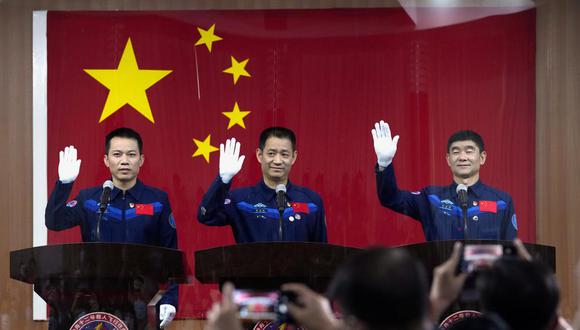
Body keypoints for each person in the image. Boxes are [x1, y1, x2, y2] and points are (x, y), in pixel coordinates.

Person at [45, 127, 178, 329]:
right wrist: (64, 184)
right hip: (94, 305)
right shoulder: (89, 200)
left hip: (141, 303)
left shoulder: (157, 200)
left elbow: (172, 256)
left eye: (131, 154)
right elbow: (54, 222)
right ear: (106, 160)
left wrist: (170, 299)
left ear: (141, 160)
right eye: (117, 154)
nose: (124, 160)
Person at [372, 120, 517, 240]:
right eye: (455, 152)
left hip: (487, 275)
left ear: (482, 157)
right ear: (448, 159)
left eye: (469, 151)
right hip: (442, 274)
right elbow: (390, 198)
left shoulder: (502, 202)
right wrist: (384, 164)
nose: (462, 157)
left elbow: (511, 252)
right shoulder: (431, 198)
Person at [197, 126, 327, 243]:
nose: (277, 160)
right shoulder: (240, 200)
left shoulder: (312, 202)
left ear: (293, 157)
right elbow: (206, 216)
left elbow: (322, 254)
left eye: (284, 154)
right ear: (259, 155)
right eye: (271, 153)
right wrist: (223, 180)